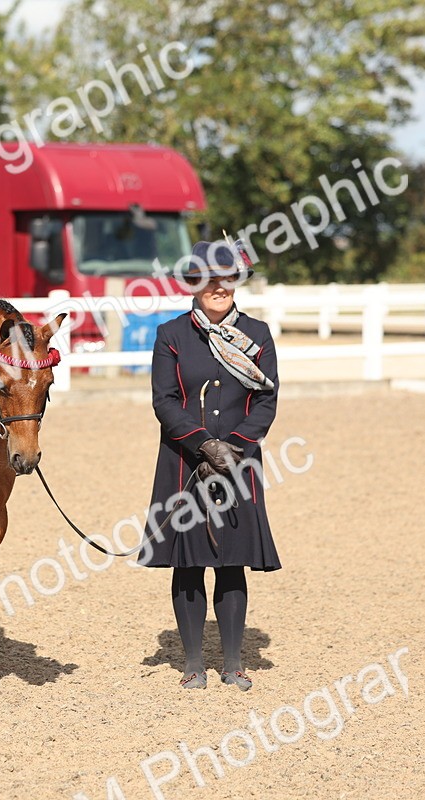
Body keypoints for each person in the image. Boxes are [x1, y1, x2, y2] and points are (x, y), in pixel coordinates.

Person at [138, 238, 280, 691]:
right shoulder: (172, 335)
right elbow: (164, 401)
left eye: (227, 278)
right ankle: (193, 663)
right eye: (209, 279)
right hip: (184, 463)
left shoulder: (257, 335)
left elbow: (266, 400)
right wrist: (203, 445)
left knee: (232, 562)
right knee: (189, 562)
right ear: (194, 283)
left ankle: (233, 663)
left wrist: (232, 447)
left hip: (239, 462)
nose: (219, 287)